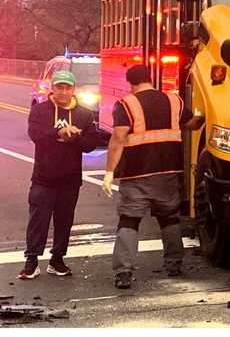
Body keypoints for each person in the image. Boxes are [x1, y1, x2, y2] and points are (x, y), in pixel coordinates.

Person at [102, 65, 204, 289]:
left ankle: (123, 273)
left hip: (137, 174)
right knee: (169, 218)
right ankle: (174, 264)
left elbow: (118, 139)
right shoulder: (174, 101)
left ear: (131, 83)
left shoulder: (126, 104)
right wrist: (203, 115)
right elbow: (192, 124)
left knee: (129, 220)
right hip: (169, 172)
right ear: (150, 79)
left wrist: (109, 172)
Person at [19, 70, 98, 279]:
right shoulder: (40, 110)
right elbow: (35, 135)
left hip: (70, 179)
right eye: (59, 87)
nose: (63, 92)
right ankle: (32, 261)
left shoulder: (84, 114)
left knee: (64, 221)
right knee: (38, 220)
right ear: (52, 88)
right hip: (43, 177)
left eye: (67, 87)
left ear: (74, 90)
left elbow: (91, 144)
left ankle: (57, 259)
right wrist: (58, 133)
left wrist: (75, 137)